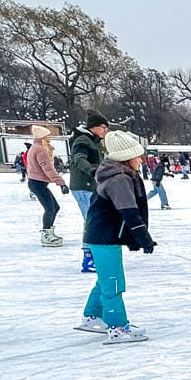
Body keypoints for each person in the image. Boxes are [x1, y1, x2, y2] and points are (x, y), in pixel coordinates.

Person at [74, 130, 155, 344]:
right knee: (113, 282)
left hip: (102, 234)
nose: (141, 159)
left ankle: (92, 316)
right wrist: (143, 237)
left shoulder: (118, 173)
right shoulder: (119, 179)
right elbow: (128, 211)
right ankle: (117, 327)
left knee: (105, 279)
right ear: (126, 157)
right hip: (104, 236)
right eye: (137, 155)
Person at [69, 111, 110, 273]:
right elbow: (78, 159)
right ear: (94, 127)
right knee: (91, 221)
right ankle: (89, 257)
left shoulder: (93, 141)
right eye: (103, 127)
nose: (105, 130)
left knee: (94, 220)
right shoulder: (82, 140)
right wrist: (92, 171)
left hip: (90, 186)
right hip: (83, 186)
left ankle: (94, 254)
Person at [26, 125, 69, 247]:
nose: (50, 137)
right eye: (48, 135)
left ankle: (49, 231)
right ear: (42, 137)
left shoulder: (36, 147)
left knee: (55, 207)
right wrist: (61, 183)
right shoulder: (40, 149)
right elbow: (48, 169)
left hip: (38, 183)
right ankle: (46, 234)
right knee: (50, 208)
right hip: (37, 183)